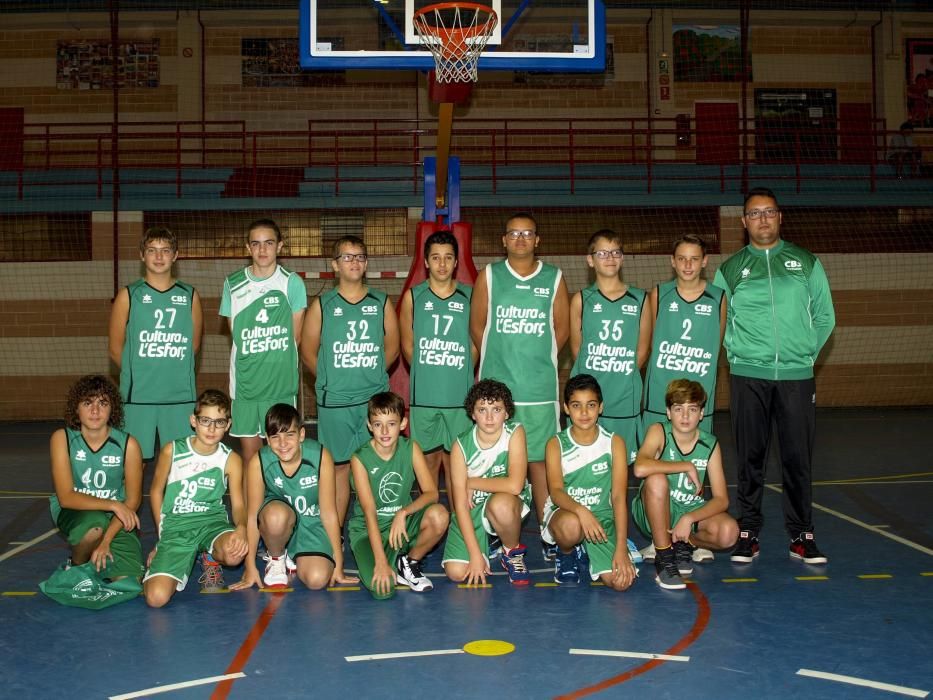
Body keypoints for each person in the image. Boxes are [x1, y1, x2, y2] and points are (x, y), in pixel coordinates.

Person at [713, 187, 836, 565]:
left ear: (780, 217)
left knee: (798, 459)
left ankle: (802, 535)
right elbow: (718, 323)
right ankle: (748, 532)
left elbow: (825, 317)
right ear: (744, 221)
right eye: (754, 213)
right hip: (748, 375)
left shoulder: (806, 262)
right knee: (750, 458)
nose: (762, 218)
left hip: (797, 377)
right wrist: (739, 355)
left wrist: (802, 356)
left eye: (769, 212)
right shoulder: (729, 270)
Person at [470, 212, 569, 560]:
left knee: (541, 464)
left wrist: (536, 361)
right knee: (495, 465)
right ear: (504, 239)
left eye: (528, 234)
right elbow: (477, 327)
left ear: (537, 240)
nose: (521, 239)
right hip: (499, 393)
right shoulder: (490, 277)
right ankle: (495, 529)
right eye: (514, 234)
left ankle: (546, 530)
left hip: (539, 390)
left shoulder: (555, 278)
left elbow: (562, 331)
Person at [302, 235, 399, 527]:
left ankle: (380, 527)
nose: (354, 261)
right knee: (339, 470)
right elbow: (307, 351)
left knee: (377, 467)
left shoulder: (381, 302)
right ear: (335, 265)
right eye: (347, 257)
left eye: (359, 256)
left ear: (366, 263)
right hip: (336, 403)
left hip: (373, 402)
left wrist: (371, 376)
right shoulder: (322, 304)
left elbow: (392, 347)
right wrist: (334, 379)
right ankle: (336, 531)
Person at [231, 404, 356, 591]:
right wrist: (249, 566)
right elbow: (252, 516)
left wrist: (338, 563)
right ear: (267, 438)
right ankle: (276, 557)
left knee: (317, 580)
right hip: (279, 521)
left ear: (302, 435)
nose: (282, 443)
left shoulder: (320, 457)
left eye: (289, 434)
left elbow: (330, 514)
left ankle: (294, 556)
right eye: (275, 437)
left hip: (311, 523)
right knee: (275, 516)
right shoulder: (259, 461)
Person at [143, 389, 248, 606]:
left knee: (234, 553)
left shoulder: (231, 459)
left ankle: (210, 557)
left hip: (212, 524)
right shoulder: (172, 450)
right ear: (194, 421)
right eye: (205, 420)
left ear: (228, 424)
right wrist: (161, 539)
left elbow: (238, 505)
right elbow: (155, 492)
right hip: (176, 527)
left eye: (219, 422)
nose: (211, 428)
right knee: (156, 599)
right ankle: (167, 564)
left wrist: (241, 528)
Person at [108, 226, 203, 463]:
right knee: (133, 462)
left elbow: (193, 346)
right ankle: (129, 503)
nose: (159, 256)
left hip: (179, 396)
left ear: (175, 255)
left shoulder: (190, 295)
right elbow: (115, 348)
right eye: (152, 250)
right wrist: (138, 374)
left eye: (165, 250)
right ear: (142, 255)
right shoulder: (128, 295)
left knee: (182, 462)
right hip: (138, 397)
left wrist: (170, 370)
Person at [632, 379, 738, 590]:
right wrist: (686, 465)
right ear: (669, 413)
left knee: (729, 532)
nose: (685, 416)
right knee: (656, 478)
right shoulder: (659, 431)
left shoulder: (709, 444)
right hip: (653, 509)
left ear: (701, 413)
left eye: (692, 409)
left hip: (688, 509)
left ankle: (686, 542)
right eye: (678, 409)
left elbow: (721, 499)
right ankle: (664, 557)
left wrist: (689, 518)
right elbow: (640, 468)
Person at [220, 219, 307, 471]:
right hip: (246, 388)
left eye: (268, 243)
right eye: (256, 244)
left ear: (279, 246)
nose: (262, 250)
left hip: (280, 386)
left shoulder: (292, 283)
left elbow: (295, 338)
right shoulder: (232, 284)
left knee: (281, 456)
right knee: (252, 459)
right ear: (248, 248)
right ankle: (254, 511)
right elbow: (236, 335)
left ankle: (280, 508)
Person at [348, 392, 449, 599]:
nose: (384, 431)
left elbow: (431, 494)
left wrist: (403, 512)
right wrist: (380, 563)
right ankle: (390, 557)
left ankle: (408, 561)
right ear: (369, 425)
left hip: (401, 524)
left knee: (439, 515)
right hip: (368, 530)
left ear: (403, 423)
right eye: (378, 424)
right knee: (382, 590)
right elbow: (369, 512)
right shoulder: (360, 458)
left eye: (391, 424)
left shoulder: (410, 448)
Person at [541, 374, 637, 590]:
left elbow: (619, 497)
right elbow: (556, 491)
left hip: (602, 518)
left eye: (591, 405)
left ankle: (586, 548)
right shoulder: (556, 444)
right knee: (572, 525)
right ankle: (566, 553)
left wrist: (621, 547)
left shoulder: (614, 443)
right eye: (576, 405)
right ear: (566, 408)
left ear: (600, 407)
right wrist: (582, 511)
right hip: (566, 512)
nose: (584, 413)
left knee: (621, 583)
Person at [399, 230, 476, 490]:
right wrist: (429, 368)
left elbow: (476, 343)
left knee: (457, 465)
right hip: (424, 399)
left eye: (448, 258)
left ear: (456, 262)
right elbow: (407, 346)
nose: (441, 264)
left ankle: (458, 524)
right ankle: (429, 521)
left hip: (459, 398)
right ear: (426, 262)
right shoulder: (413, 296)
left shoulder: (471, 296)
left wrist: (463, 366)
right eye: (435, 258)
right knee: (428, 463)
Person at [49, 375, 144, 582]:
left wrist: (106, 541)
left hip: (116, 520)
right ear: (76, 408)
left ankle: (100, 557)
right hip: (75, 512)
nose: (95, 410)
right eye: (87, 403)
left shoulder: (129, 445)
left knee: (130, 581)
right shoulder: (62, 439)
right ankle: (77, 566)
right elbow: (66, 497)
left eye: (103, 403)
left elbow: (133, 501)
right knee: (94, 527)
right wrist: (113, 504)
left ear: (112, 409)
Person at [570, 229, 650, 465]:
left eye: (616, 252)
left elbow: (643, 350)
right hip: (590, 394)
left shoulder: (640, 299)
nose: (610, 258)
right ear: (590, 260)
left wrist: (621, 374)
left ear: (622, 258)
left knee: (620, 464)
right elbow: (577, 350)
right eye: (602, 253)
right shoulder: (582, 299)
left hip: (625, 394)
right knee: (587, 461)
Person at [442, 379, 532, 586]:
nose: (489, 417)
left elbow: (515, 485)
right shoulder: (460, 446)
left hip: (505, 502)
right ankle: (487, 544)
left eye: (496, 409)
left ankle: (511, 551)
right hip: (473, 508)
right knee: (457, 573)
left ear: (507, 413)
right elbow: (460, 507)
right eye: (482, 409)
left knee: (500, 505)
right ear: (472, 414)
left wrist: (471, 482)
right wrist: (474, 555)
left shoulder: (515, 433)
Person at [643, 234, 725, 435]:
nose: (688, 265)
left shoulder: (718, 297)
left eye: (694, 259)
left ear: (704, 261)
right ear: (672, 261)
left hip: (700, 388)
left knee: (695, 458)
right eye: (681, 258)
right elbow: (651, 341)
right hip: (660, 389)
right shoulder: (659, 294)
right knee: (655, 456)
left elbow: (716, 343)